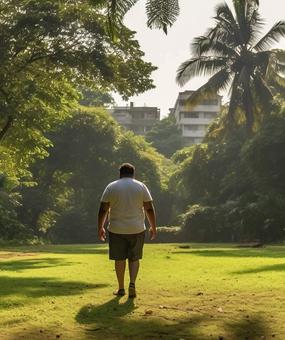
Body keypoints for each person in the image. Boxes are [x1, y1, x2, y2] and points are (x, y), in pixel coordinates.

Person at [98, 163, 157, 298]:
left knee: (119, 259)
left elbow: (103, 209)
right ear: (133, 173)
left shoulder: (111, 187)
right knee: (134, 258)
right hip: (137, 228)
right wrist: (153, 227)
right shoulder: (141, 186)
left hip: (116, 229)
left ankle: (121, 288)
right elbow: (149, 208)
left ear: (120, 173)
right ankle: (132, 284)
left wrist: (100, 227)